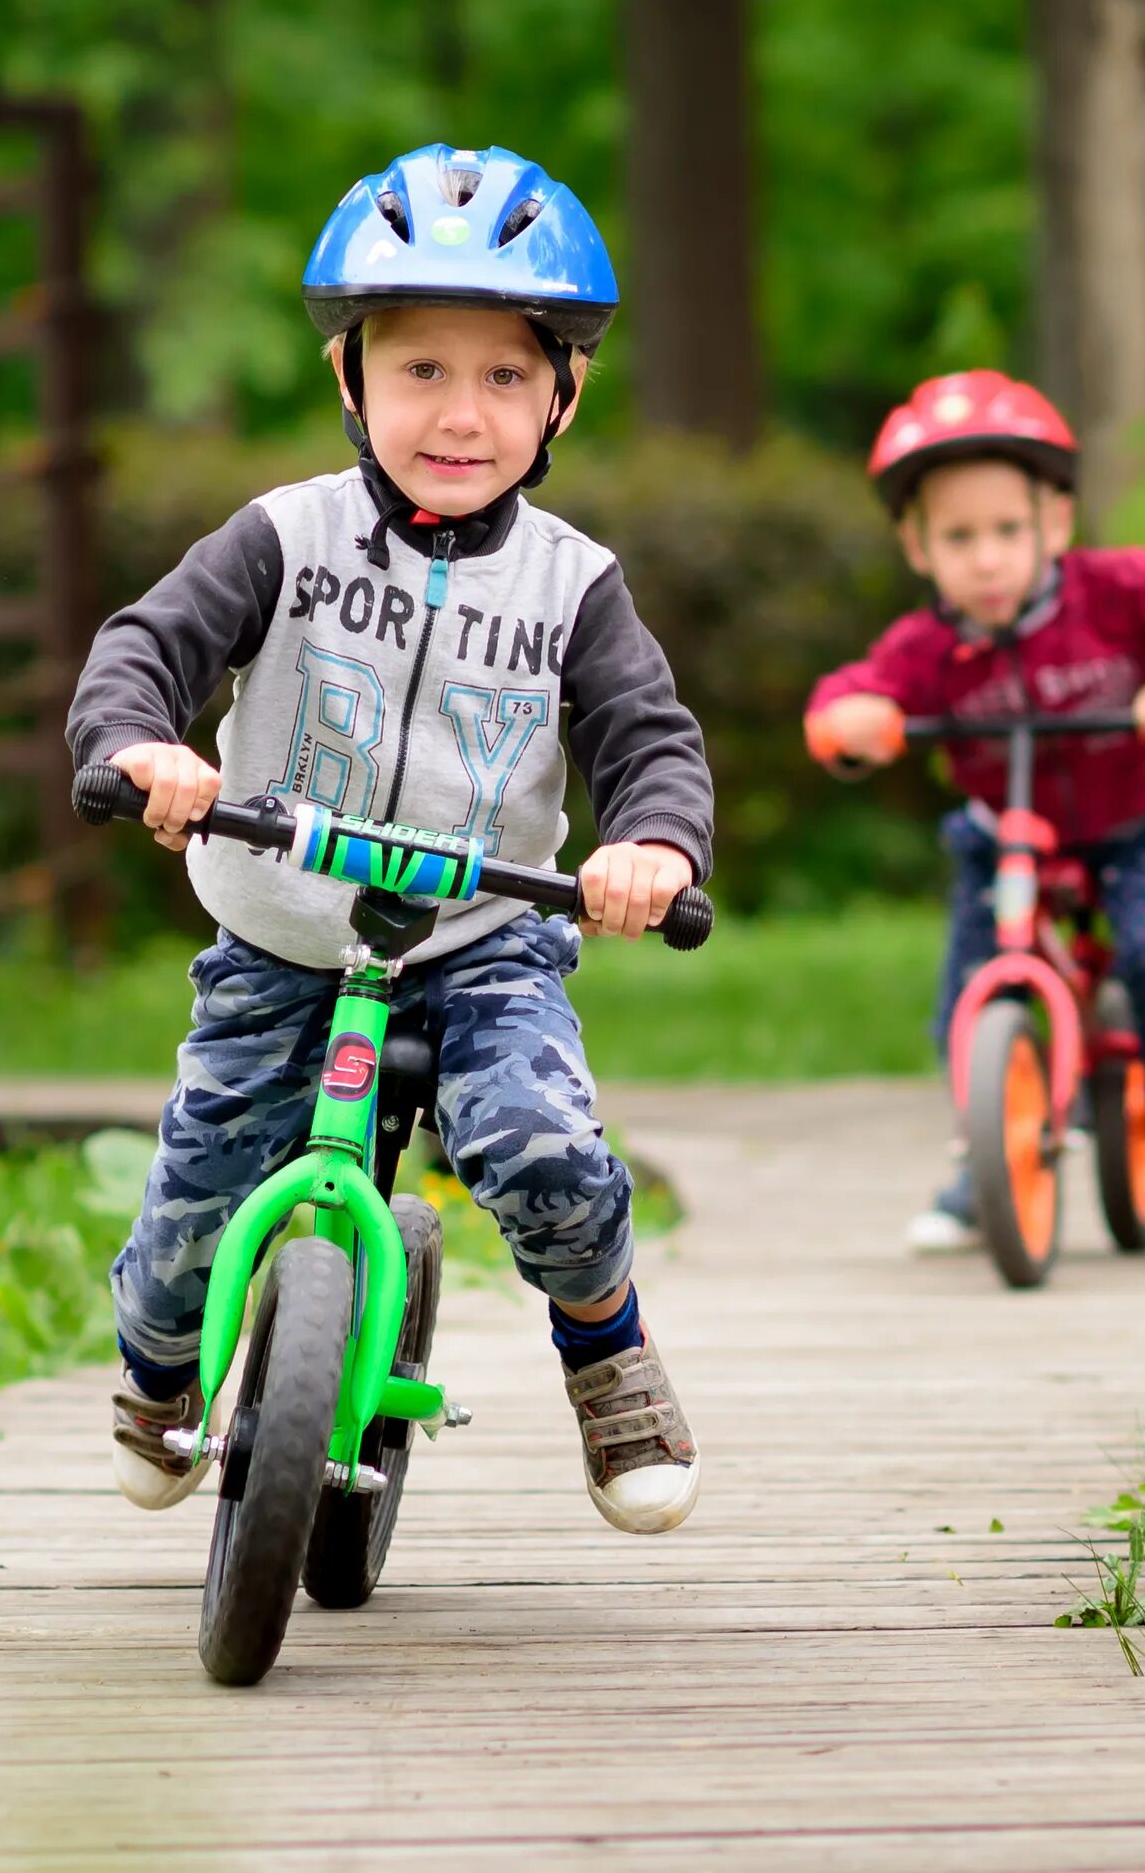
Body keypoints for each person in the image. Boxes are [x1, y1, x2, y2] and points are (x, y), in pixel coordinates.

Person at [66, 144, 714, 1536]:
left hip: (483, 940)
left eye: (502, 375)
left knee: (544, 1146)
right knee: (193, 1196)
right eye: (421, 368)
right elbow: (149, 647)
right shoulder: (282, 539)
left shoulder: (573, 586)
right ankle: (157, 1374)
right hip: (282, 928)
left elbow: (646, 736)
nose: (461, 413)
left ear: (563, 395)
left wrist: (652, 844)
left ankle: (608, 1350)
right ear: (350, 379)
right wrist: (145, 746)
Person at [803, 370, 1145, 1256]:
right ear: (917, 546)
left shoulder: (1114, 593)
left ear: (1055, 525)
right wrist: (851, 721)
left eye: (1008, 531)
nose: (986, 558)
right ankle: (983, 1153)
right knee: (964, 988)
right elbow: (848, 694)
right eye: (958, 536)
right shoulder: (929, 647)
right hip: (1009, 836)